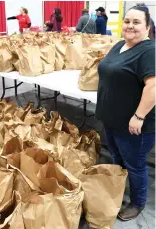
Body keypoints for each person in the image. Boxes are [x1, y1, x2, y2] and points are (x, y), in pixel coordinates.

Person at [95, 6, 155, 221]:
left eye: (136, 22)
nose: (130, 25)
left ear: (147, 27)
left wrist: (138, 117)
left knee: (135, 164)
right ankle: (118, 189)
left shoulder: (149, 51)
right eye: (127, 21)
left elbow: (153, 87)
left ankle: (138, 202)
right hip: (112, 119)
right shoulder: (120, 45)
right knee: (118, 157)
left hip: (134, 125)